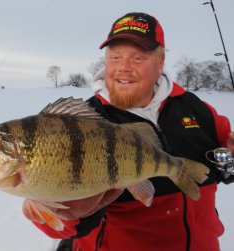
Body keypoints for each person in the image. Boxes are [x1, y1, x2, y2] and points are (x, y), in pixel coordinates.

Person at [23, 12, 234, 251]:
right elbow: (61, 226)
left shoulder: (198, 109)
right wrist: (68, 214)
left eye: (137, 58)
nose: (124, 68)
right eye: (115, 57)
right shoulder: (81, 119)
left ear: (160, 61)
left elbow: (227, 163)